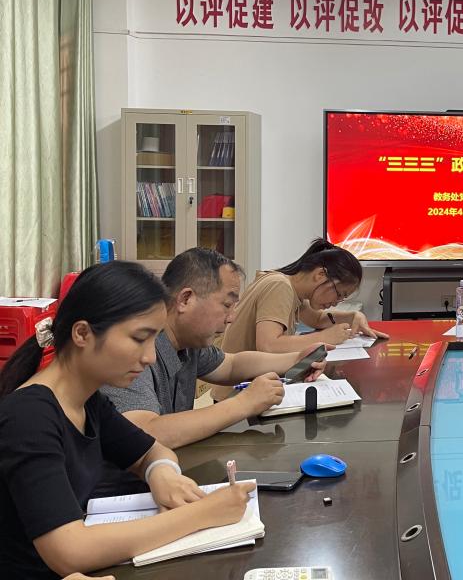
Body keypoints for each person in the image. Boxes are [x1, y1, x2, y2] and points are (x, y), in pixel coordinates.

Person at [0, 262, 254, 579]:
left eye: (154, 340)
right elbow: (70, 551)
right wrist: (203, 513)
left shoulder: (89, 402)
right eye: (138, 339)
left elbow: (152, 451)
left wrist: (161, 473)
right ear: (82, 333)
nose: (150, 357)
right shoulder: (29, 417)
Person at [100, 248, 331, 453]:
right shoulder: (138, 350)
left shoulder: (188, 343)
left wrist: (297, 358)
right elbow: (145, 432)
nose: (231, 318)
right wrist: (244, 403)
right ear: (185, 299)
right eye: (227, 305)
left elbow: (231, 365)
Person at [214, 238, 387, 400]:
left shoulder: (291, 287)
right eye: (339, 293)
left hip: (250, 388)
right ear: (320, 275)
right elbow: (268, 345)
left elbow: (317, 319)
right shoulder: (279, 286)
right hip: (235, 395)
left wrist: (353, 316)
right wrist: (325, 337)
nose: (336, 302)